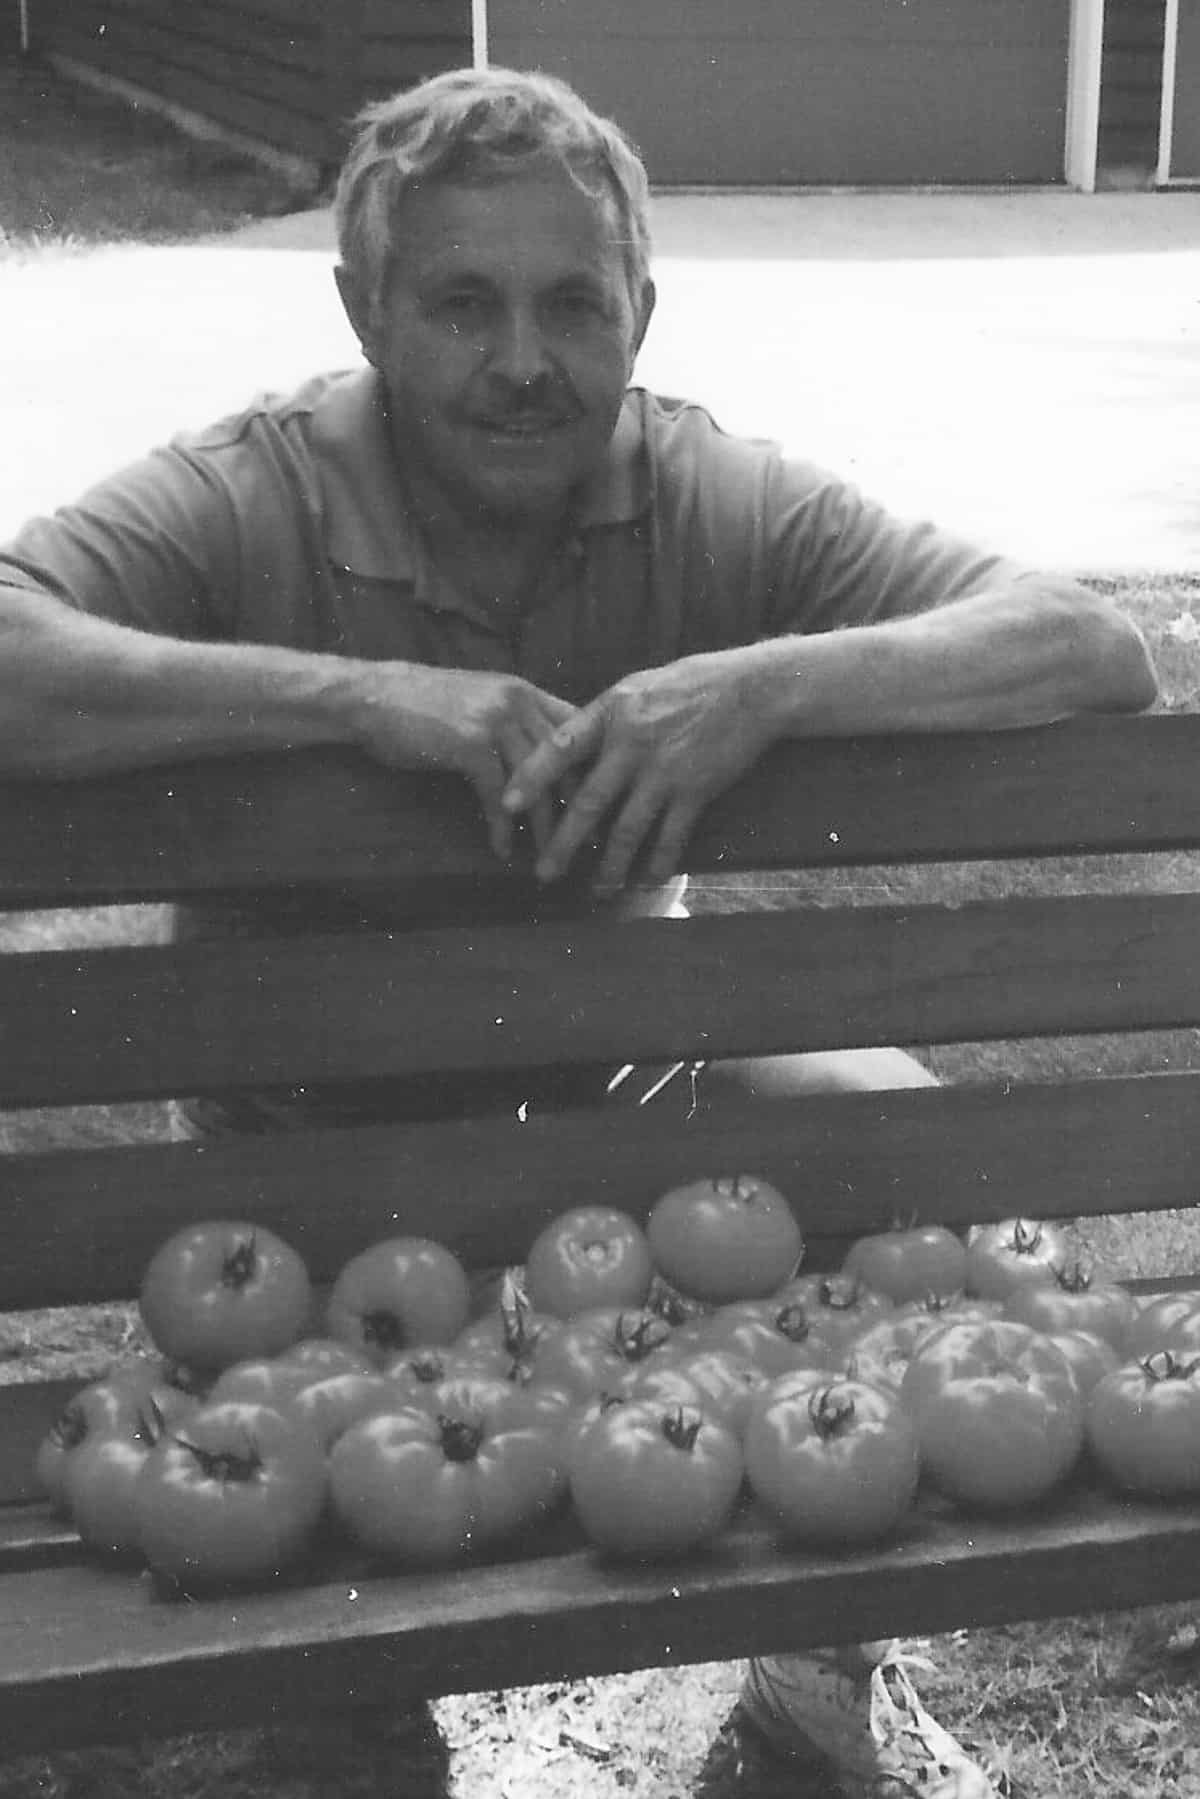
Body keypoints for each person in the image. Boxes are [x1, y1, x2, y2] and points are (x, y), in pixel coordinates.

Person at [0, 64, 1155, 1798]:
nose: (524, 362)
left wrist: (762, 684)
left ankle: (819, 1679)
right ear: (361, 308)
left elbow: (1083, 643)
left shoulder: (708, 491)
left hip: (638, 1106)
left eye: (572, 303)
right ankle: (343, 1723)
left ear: (641, 311)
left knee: (897, 1138)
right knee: (319, 1651)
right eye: (462, 303)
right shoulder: (245, 494)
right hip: (310, 1169)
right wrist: (358, 700)